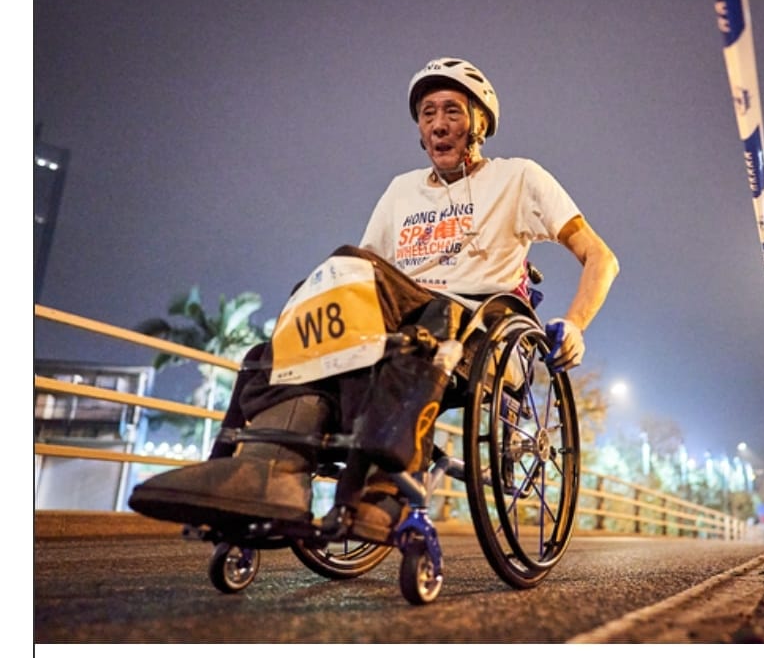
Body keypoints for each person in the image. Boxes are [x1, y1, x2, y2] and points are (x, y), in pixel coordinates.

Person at [128, 57, 619, 544]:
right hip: (405, 314)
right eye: (428, 113)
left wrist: (575, 324)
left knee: (422, 319)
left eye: (452, 111)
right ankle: (270, 470)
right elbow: (361, 276)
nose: (439, 124)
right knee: (316, 300)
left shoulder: (519, 177)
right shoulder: (401, 190)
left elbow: (601, 257)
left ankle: (385, 489)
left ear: (479, 123)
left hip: (477, 328)